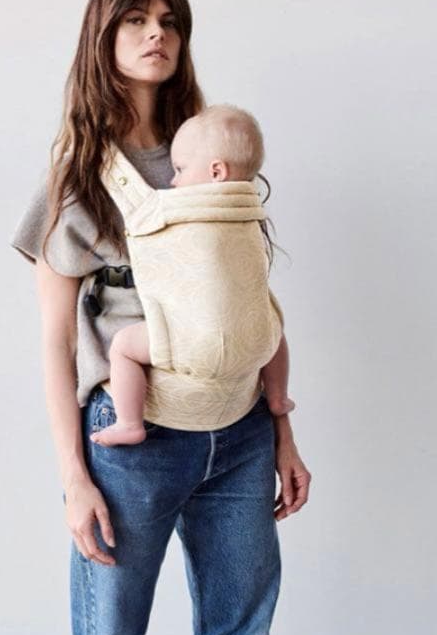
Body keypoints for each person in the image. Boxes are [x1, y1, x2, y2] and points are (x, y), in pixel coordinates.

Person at [10, 0, 311, 635]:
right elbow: (55, 344)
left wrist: (284, 433)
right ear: (101, 37)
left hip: (238, 432)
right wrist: (73, 477)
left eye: (169, 20)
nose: (156, 33)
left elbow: (252, 308)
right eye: (136, 19)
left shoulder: (214, 156)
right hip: (129, 446)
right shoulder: (81, 178)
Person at [90, 103, 296, 448]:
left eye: (180, 169)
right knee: (271, 329)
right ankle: (278, 397)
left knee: (124, 346)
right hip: (257, 342)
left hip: (195, 344)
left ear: (216, 171)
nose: (173, 181)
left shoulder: (178, 214)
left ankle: (129, 423)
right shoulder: (248, 213)